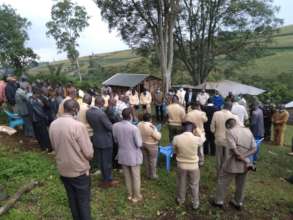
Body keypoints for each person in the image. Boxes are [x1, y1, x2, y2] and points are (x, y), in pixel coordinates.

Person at [49, 99, 93, 220]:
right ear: (75, 110)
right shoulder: (78, 126)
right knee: (83, 202)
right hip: (79, 171)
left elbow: (54, 146)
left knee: (72, 200)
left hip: (63, 169)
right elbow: (89, 153)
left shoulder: (53, 124)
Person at [212, 118, 256, 210]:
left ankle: (219, 201)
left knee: (223, 181)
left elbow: (234, 149)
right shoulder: (248, 131)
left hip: (232, 162)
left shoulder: (230, 132)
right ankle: (238, 202)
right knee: (241, 184)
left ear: (228, 126)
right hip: (246, 164)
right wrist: (245, 158)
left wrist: (241, 156)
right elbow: (254, 149)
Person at [112, 108, 143, 203]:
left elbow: (116, 140)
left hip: (122, 154)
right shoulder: (134, 128)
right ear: (130, 116)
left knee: (127, 176)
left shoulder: (115, 126)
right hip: (133, 155)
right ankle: (136, 196)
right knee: (136, 177)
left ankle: (130, 194)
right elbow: (139, 144)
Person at [86, 96, 118, 188]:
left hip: (96, 138)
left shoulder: (88, 112)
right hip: (105, 140)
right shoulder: (101, 114)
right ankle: (108, 181)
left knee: (101, 161)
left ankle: (104, 178)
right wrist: (117, 125)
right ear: (101, 103)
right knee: (107, 161)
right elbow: (109, 127)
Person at [173, 121, 206, 210]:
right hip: (194, 166)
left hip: (181, 165)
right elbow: (203, 138)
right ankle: (195, 203)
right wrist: (198, 130)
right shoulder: (196, 139)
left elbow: (175, 151)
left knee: (181, 183)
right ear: (193, 130)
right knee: (194, 185)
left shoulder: (176, 138)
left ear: (183, 128)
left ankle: (180, 199)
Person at [211, 101, 238, 175]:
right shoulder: (234, 116)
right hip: (229, 141)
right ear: (231, 108)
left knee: (218, 158)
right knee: (227, 157)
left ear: (223, 106)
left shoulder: (216, 114)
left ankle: (218, 174)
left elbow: (212, 128)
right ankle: (225, 173)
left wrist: (216, 133)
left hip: (218, 139)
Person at [138, 113, 161, 179]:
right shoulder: (151, 126)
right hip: (151, 145)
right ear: (150, 119)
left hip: (142, 143)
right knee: (153, 160)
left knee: (145, 159)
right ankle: (153, 175)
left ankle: (148, 174)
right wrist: (155, 129)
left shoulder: (139, 124)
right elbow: (158, 137)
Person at [29, 87, 52, 152]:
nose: (38, 96)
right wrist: (45, 117)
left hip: (34, 120)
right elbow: (39, 112)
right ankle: (48, 148)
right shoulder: (35, 101)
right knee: (44, 134)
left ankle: (43, 148)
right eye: (38, 95)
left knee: (39, 135)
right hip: (39, 120)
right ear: (36, 94)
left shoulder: (30, 99)